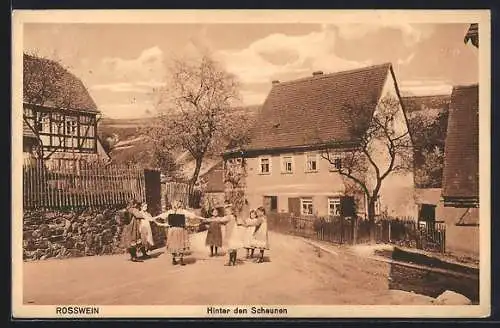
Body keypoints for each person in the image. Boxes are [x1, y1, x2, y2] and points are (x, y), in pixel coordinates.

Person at [153, 200, 204, 266]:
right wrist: (155, 218)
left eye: (178, 204)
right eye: (175, 204)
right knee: (173, 245)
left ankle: (181, 259)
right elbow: (162, 215)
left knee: (181, 245)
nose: (176, 205)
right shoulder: (170, 211)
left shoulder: (183, 211)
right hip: (173, 230)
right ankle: (173, 258)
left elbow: (192, 215)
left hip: (181, 229)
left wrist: (201, 218)